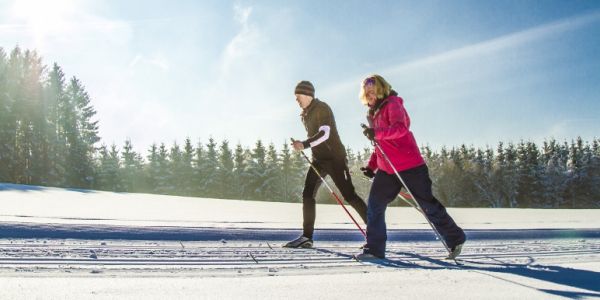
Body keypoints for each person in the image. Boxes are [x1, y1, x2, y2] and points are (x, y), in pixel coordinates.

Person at [356, 74, 466, 259]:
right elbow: (380, 145)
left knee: (426, 205)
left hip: (410, 165)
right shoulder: (371, 114)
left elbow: (401, 128)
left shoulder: (393, 103)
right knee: (374, 206)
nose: (370, 94)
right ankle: (375, 249)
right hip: (387, 170)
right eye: (367, 92)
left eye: (373, 90)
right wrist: (371, 166)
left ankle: (456, 237)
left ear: (381, 88)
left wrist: (377, 132)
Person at [285, 80, 368, 248]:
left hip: (335, 158)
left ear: (307, 94)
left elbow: (325, 133)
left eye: (298, 96)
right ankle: (307, 237)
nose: (296, 100)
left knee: (349, 195)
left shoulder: (322, 108)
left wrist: (305, 144)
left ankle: (376, 233)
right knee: (308, 194)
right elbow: (317, 138)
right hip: (318, 160)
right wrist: (304, 145)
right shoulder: (305, 114)